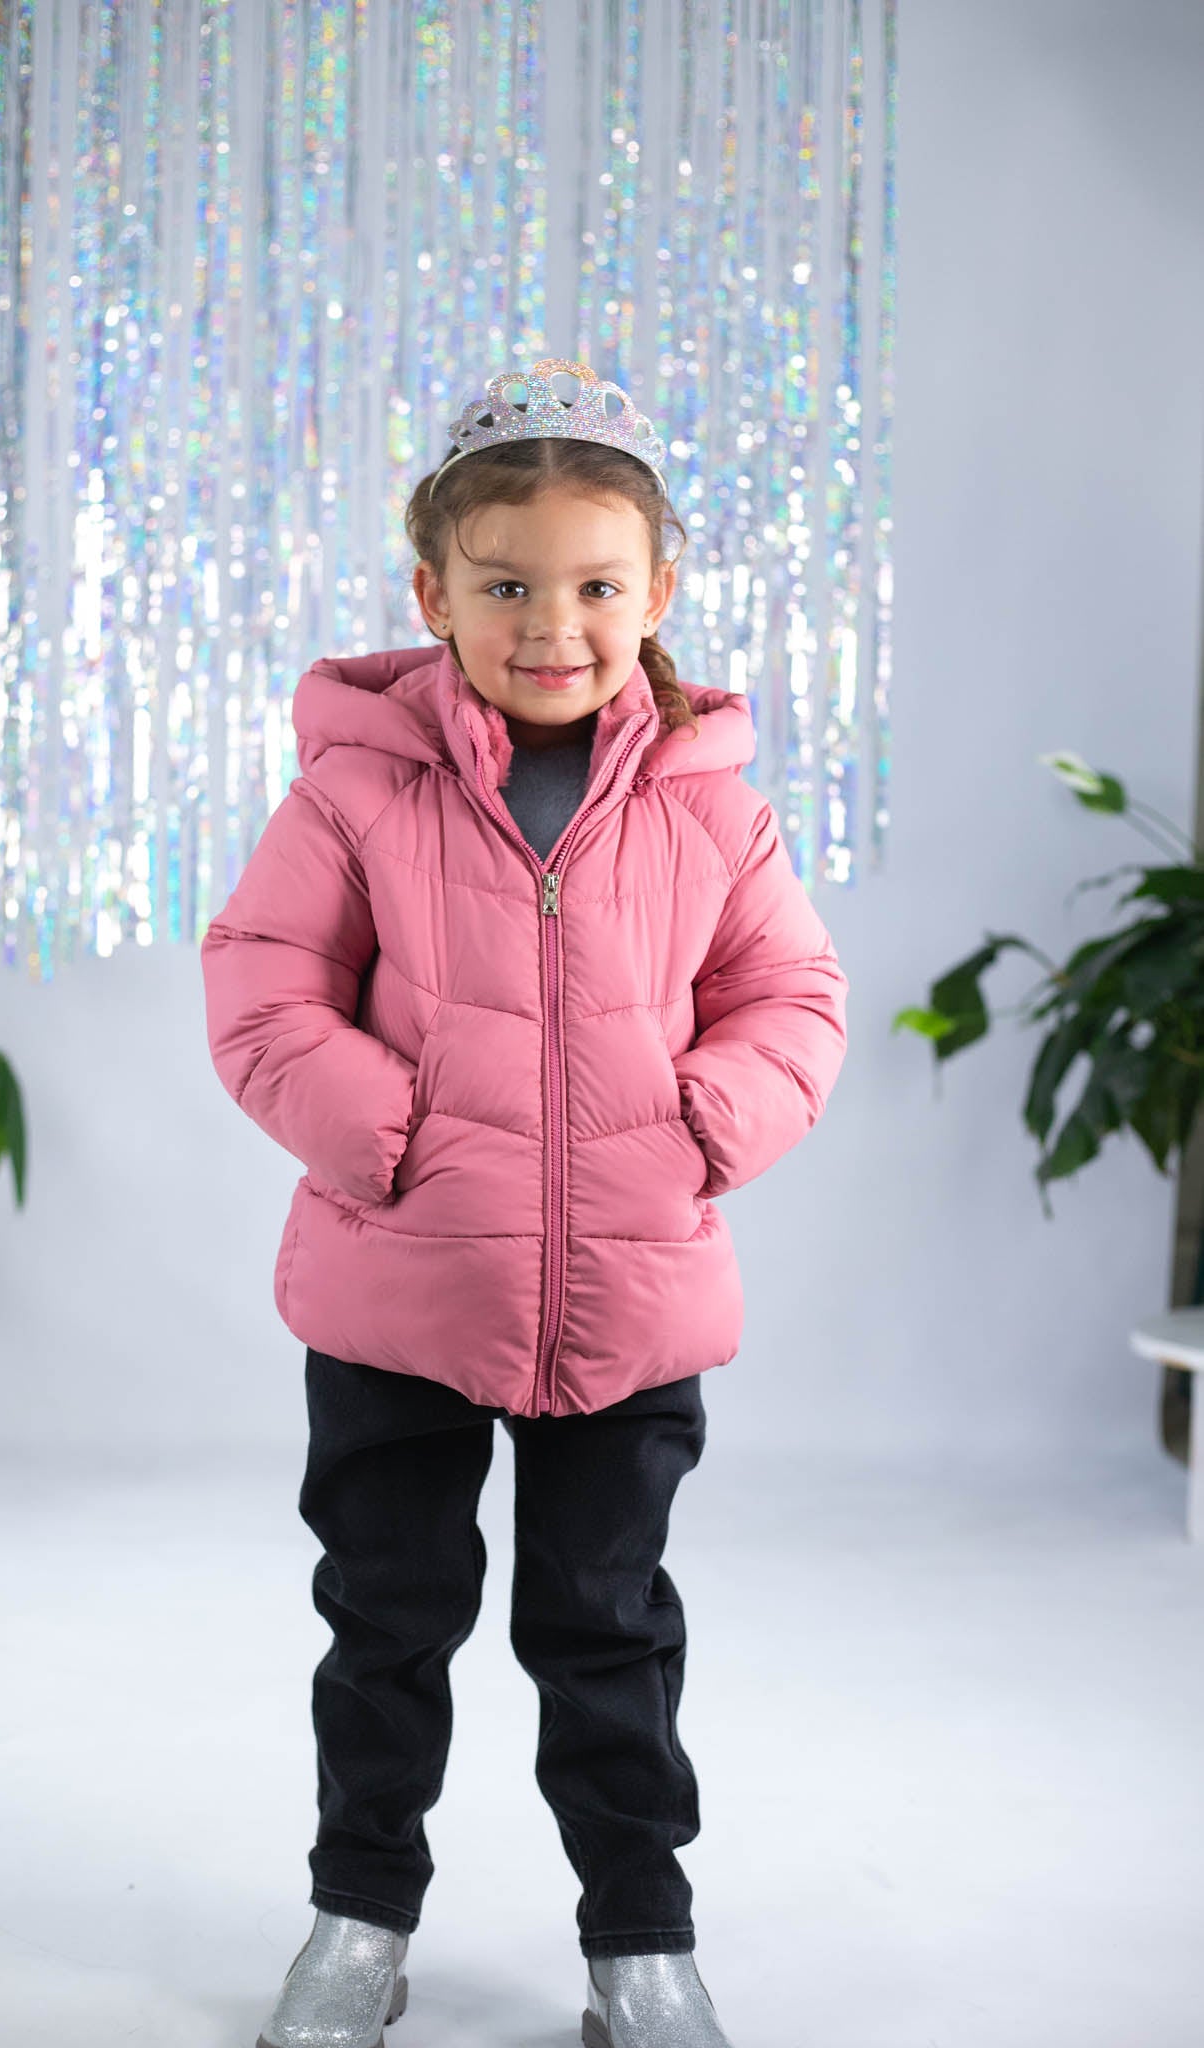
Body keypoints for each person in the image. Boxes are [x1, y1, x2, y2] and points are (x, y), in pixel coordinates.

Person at [200, 357, 849, 2048]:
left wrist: (690, 1129)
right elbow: (264, 984)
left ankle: (641, 1943)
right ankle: (357, 1923)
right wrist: (394, 1138)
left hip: (627, 1300)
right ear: (431, 594)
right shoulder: (356, 789)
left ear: (657, 591)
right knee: (384, 1626)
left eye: (594, 587)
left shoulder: (712, 804)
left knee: (608, 1631)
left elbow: (791, 998)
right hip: (399, 1291)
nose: (551, 625)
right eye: (503, 587)